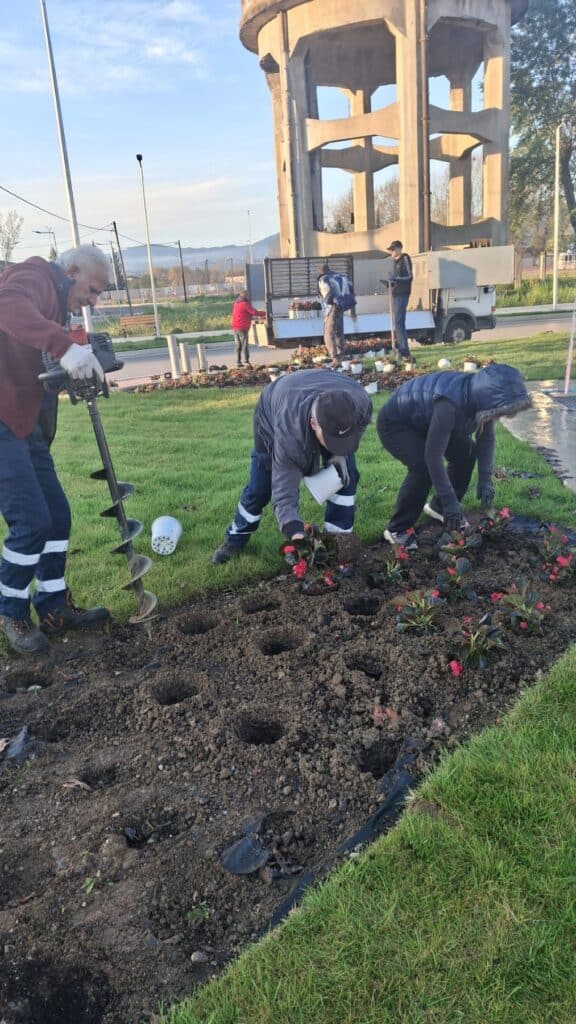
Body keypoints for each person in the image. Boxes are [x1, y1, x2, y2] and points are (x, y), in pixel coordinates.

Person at [0, 245, 113, 655]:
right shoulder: (31, 277)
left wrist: (73, 370)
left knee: (57, 517)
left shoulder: (57, 299)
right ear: (71, 270)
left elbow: (34, 363)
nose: (93, 300)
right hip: (1, 421)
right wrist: (65, 347)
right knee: (29, 522)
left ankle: (53, 607)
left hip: (22, 424)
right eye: (93, 289)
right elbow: (6, 307)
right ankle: (11, 612)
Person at [211, 369, 372, 563]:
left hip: (326, 391)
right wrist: (297, 536)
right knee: (260, 487)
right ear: (314, 424)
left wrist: (340, 454)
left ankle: (338, 545)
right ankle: (235, 538)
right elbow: (284, 495)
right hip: (273, 410)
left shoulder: (360, 405)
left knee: (346, 477)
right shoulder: (289, 437)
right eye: (330, 439)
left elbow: (354, 430)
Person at [377, 363, 532, 550]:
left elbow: (486, 438)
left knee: (466, 453)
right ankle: (397, 529)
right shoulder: (449, 405)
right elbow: (433, 456)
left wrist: (485, 479)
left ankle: (439, 508)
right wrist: (451, 500)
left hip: (427, 421)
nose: (502, 416)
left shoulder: (482, 400)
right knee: (422, 468)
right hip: (398, 424)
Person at [317, 262, 357, 365]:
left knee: (328, 333)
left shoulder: (323, 279)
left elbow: (327, 297)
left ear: (321, 272)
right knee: (339, 331)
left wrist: (328, 304)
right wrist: (353, 311)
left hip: (332, 307)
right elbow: (351, 291)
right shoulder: (342, 277)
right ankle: (342, 354)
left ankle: (335, 358)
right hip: (342, 306)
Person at [384, 240, 412, 360]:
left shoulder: (404, 259)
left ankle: (404, 351)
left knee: (399, 323)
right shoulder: (394, 262)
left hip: (402, 294)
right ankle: (401, 349)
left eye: (392, 249)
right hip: (396, 294)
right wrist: (391, 282)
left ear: (399, 249)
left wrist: (396, 278)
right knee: (397, 323)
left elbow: (409, 276)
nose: (391, 252)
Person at [230, 289, 264, 368]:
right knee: (244, 344)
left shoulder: (236, 303)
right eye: (247, 295)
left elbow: (244, 313)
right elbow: (254, 312)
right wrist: (264, 313)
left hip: (235, 326)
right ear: (245, 295)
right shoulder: (244, 304)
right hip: (242, 327)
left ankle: (238, 361)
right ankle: (246, 361)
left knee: (238, 344)